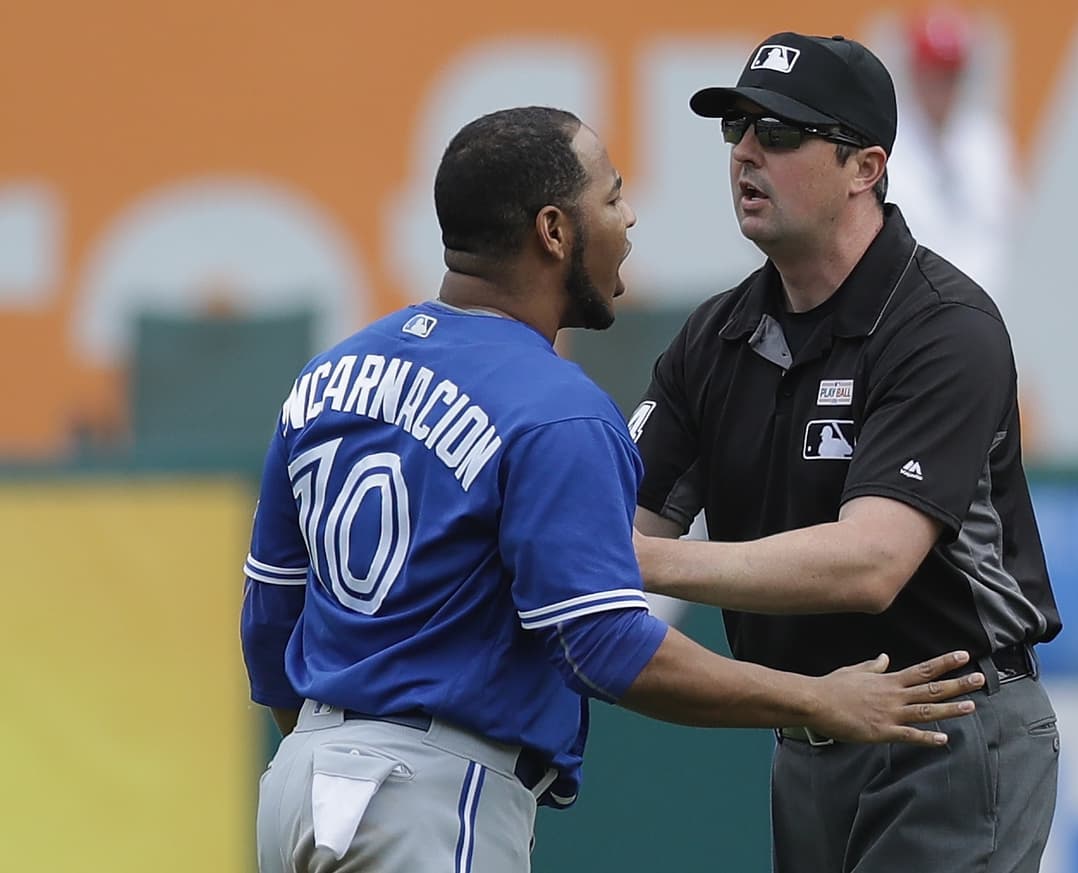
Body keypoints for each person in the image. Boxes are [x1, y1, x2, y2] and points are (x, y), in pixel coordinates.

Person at [240, 106, 985, 873]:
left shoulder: (327, 378)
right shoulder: (556, 406)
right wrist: (816, 698)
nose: (628, 218)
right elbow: (603, 646)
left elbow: (268, 622)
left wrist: (339, 752)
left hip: (301, 782)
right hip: (428, 795)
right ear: (554, 232)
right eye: (613, 196)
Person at [629, 32, 1062, 873]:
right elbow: (614, 534)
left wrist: (645, 562)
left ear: (865, 167)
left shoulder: (944, 326)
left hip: (947, 723)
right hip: (808, 737)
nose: (746, 153)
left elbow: (871, 563)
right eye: (736, 128)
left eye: (779, 133)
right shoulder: (713, 338)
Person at [886, 7, 1018, 303]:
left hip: (980, 302)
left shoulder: (986, 141)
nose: (941, 88)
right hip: (908, 303)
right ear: (914, 74)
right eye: (931, 75)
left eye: (949, 76)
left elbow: (998, 231)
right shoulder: (888, 140)